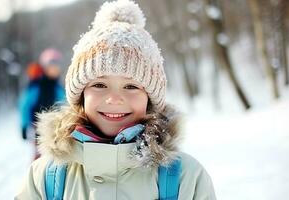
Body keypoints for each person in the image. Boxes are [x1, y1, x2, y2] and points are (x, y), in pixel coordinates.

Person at [15, 0, 216, 199]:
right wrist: (26, 125)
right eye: (99, 85)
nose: (114, 99)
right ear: (80, 96)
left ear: (150, 99)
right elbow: (27, 105)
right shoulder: (44, 179)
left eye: (131, 86)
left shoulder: (186, 179)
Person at [18, 48, 66, 159]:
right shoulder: (37, 86)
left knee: (54, 157)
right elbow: (25, 105)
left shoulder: (56, 86)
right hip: (38, 128)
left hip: (54, 129)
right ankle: (36, 175)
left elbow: (64, 103)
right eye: (52, 66)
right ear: (45, 68)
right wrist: (24, 126)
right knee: (40, 157)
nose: (55, 69)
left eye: (57, 66)